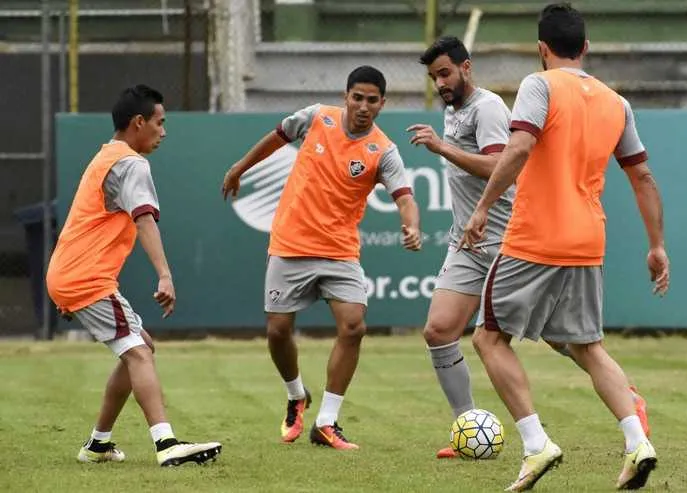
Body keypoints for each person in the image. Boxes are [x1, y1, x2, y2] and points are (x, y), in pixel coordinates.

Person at [410, 35, 651, 461]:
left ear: (467, 68)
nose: (440, 84)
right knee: (439, 330)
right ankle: (469, 427)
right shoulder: (455, 110)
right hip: (468, 242)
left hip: (510, 239)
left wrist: (442, 148)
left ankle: (626, 401)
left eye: (445, 73)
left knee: (567, 341)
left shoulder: (487, 107)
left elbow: (499, 163)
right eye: (433, 78)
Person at [460, 3, 669, 491]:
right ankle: (638, 441)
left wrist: (483, 207)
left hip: (535, 236)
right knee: (588, 346)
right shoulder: (616, 102)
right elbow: (641, 174)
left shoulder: (539, 84)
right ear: (586, 48)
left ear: (542, 49)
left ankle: (536, 446)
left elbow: (519, 148)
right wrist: (656, 245)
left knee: (488, 338)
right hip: (587, 240)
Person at [222, 66, 421, 450]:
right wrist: (239, 168)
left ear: (383, 103)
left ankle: (327, 422)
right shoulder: (316, 117)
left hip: (339, 251)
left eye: (372, 100)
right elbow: (276, 138)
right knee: (278, 331)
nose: (363, 106)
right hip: (290, 243)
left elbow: (406, 197)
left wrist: (410, 225)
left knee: (354, 326)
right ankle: (296, 394)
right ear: (346, 96)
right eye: (357, 97)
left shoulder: (384, 150)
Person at [46, 84, 222, 467]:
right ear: (138, 122)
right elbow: (144, 219)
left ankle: (97, 445)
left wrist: (64, 291)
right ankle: (166, 443)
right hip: (85, 278)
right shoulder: (130, 163)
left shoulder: (106, 156)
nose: (164, 131)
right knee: (139, 352)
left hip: (74, 275)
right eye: (160, 123)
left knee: (137, 348)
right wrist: (165, 275)